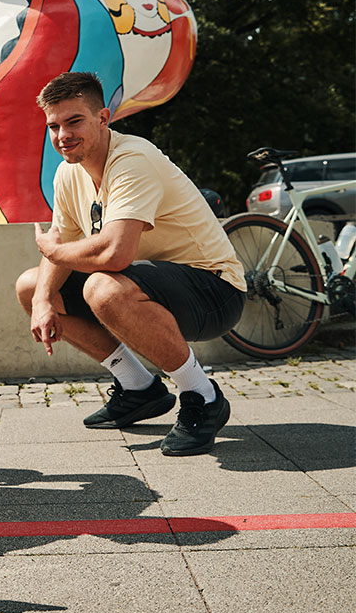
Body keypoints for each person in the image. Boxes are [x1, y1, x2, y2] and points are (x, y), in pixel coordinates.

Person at [16, 72, 246, 456]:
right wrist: (42, 300)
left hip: (216, 290)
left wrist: (54, 252)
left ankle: (203, 398)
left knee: (102, 287)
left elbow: (114, 255)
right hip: (160, 286)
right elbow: (67, 247)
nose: (62, 135)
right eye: (53, 126)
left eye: (75, 121)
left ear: (103, 118)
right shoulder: (67, 173)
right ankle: (139, 388)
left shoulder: (132, 159)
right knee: (31, 285)